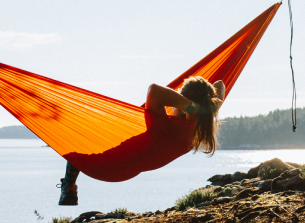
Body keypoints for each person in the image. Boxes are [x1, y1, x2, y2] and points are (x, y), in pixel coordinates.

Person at [58, 76, 226, 205]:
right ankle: (69, 186)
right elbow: (220, 84)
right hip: (126, 170)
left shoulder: (166, 127)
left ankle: (69, 186)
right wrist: (203, 108)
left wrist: (190, 107)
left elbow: (154, 90)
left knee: (74, 148)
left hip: (108, 166)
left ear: (182, 104)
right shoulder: (200, 128)